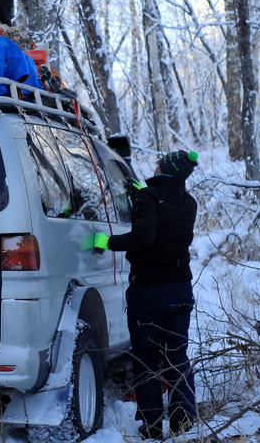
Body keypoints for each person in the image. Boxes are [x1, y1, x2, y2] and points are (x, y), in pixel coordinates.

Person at [88, 150, 199, 440]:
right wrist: (143, 195)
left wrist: (107, 241)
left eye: (158, 161)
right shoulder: (188, 202)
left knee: (146, 360)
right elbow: (166, 225)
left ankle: (152, 429)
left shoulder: (148, 198)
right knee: (177, 358)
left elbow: (144, 237)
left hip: (149, 293)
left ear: (164, 167)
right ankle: (184, 424)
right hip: (180, 291)